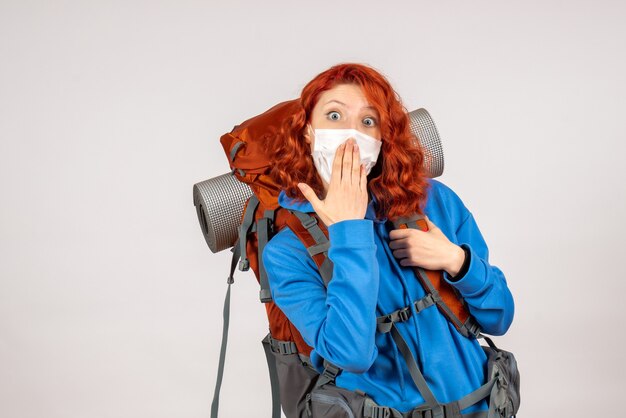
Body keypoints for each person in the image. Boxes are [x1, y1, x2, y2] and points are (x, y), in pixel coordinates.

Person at [261, 63, 515, 416]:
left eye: (368, 121)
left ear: (382, 139)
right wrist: (349, 231)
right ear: (307, 132)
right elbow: (351, 354)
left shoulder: (432, 201)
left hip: (483, 406)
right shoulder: (287, 251)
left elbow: (500, 317)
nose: (351, 135)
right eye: (334, 115)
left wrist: (457, 260)